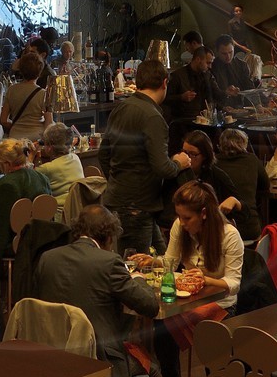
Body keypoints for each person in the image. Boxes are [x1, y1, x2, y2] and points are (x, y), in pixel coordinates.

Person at [128, 181, 243, 377]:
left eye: (187, 218)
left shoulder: (229, 235)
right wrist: (153, 261)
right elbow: (170, 262)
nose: (182, 222)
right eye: (179, 216)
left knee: (181, 326)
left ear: (203, 214)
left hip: (222, 303)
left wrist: (206, 279)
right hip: (191, 299)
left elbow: (235, 282)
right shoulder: (179, 227)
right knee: (161, 322)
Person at [35, 205, 159, 377]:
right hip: (99, 362)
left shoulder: (47, 258)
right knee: (151, 366)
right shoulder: (109, 262)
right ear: (109, 236)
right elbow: (150, 306)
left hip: (53, 356)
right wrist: (138, 279)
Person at [102, 59, 191, 254]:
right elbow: (162, 168)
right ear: (164, 83)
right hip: (138, 205)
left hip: (119, 199)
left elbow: (103, 154)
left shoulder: (120, 108)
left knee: (162, 262)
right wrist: (179, 162)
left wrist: (118, 180)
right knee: (137, 270)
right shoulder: (152, 117)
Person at [0, 139, 52, 265]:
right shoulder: (42, 178)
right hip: (40, 242)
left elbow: (0, 229)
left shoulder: (7, 185)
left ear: (7, 163)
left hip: (13, 245)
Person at [214, 128, 270, 240]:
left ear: (221, 144)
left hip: (221, 227)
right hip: (250, 228)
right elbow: (265, 186)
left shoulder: (214, 162)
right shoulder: (252, 160)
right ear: (244, 143)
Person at [0, 52, 49, 141]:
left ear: (21, 70)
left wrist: (16, 125)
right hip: (36, 138)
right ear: (40, 71)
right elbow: (48, 122)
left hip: (15, 138)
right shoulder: (43, 94)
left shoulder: (11, 90)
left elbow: (3, 120)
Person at [165, 46, 220, 125]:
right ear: (198, 59)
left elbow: (216, 93)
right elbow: (166, 99)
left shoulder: (208, 75)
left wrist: (227, 93)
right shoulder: (178, 75)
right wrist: (181, 97)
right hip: (184, 121)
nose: (210, 66)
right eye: (208, 63)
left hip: (205, 121)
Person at [35, 122, 84, 200]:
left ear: (50, 147)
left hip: (59, 211)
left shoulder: (47, 168)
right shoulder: (75, 158)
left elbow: (28, 177)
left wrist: (31, 157)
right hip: (77, 207)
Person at [209, 35, 256, 99]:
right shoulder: (212, 67)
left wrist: (258, 104)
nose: (228, 57)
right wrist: (225, 93)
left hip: (242, 105)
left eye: (230, 52)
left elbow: (249, 87)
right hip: (221, 105)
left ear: (234, 48)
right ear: (217, 52)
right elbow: (212, 93)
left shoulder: (242, 65)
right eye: (224, 53)